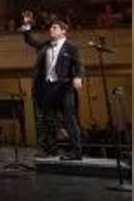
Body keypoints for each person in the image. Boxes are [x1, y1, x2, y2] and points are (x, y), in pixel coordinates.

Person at [20, 10, 85, 160]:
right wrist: (27, 25)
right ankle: (50, 150)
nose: (51, 30)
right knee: (47, 120)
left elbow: (79, 65)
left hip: (64, 88)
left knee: (70, 120)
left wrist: (78, 77)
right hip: (47, 88)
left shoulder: (71, 48)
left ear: (63, 32)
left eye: (55, 28)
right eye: (51, 28)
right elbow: (30, 41)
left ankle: (76, 152)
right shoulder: (46, 45)